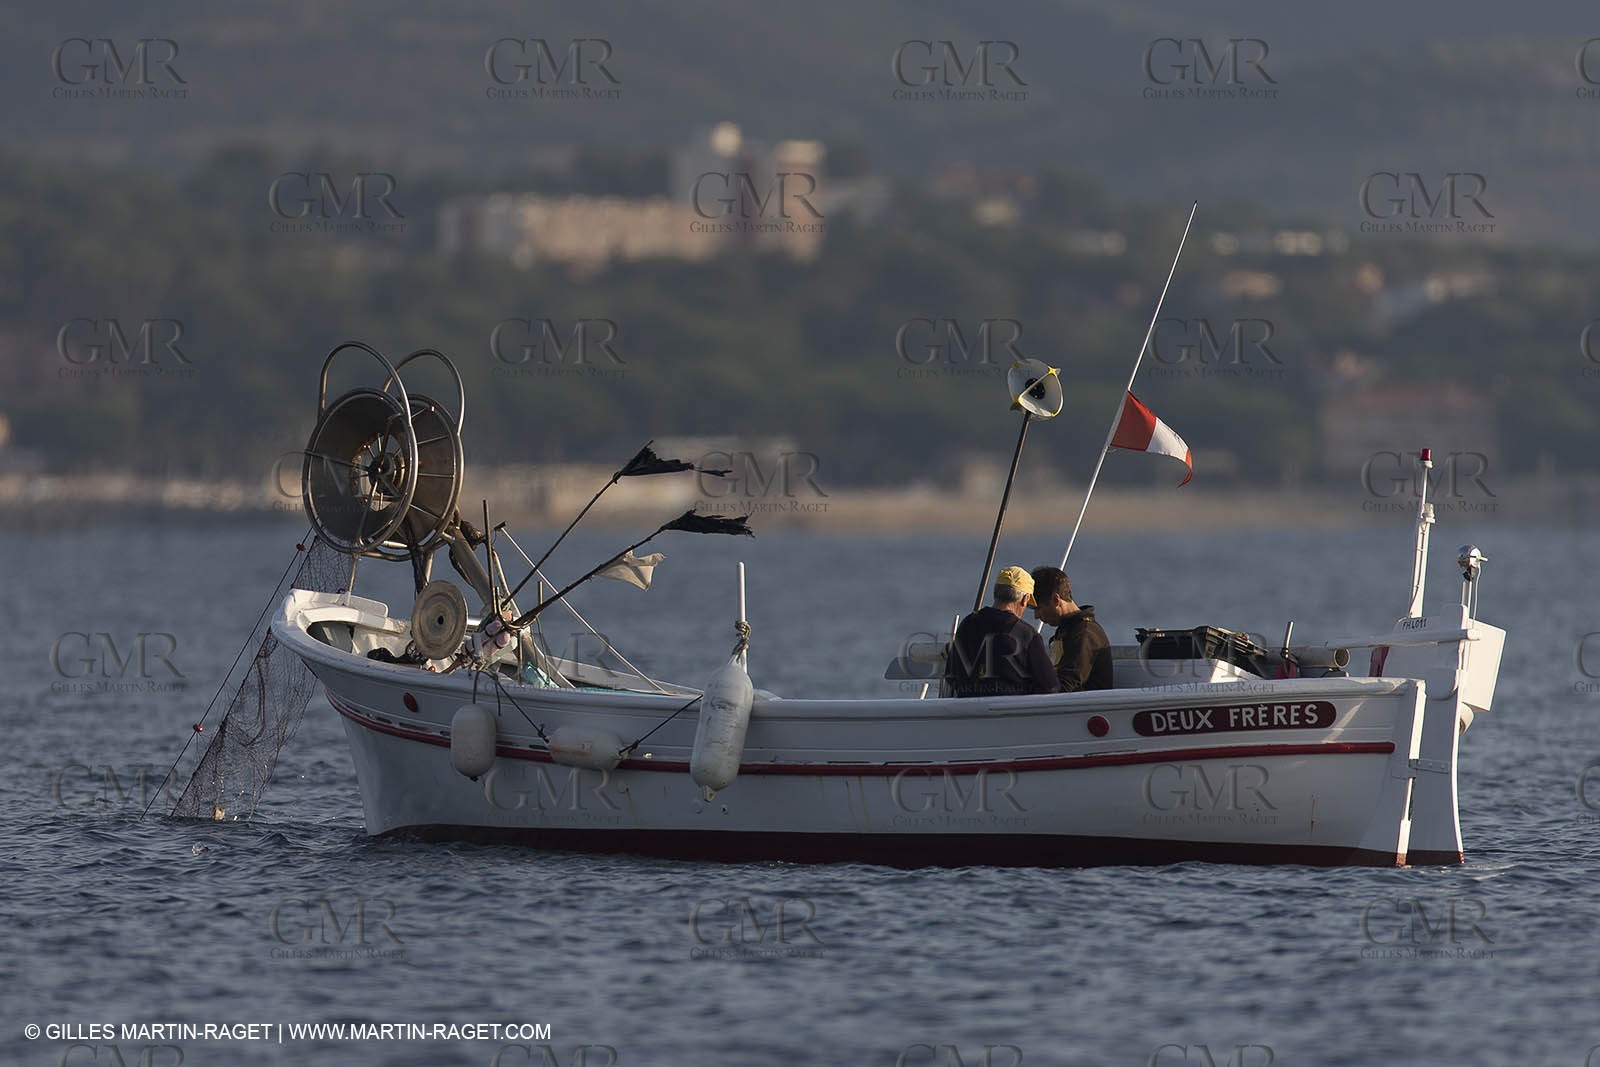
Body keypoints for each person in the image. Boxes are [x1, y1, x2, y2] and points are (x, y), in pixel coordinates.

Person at [944, 566, 1060, 698]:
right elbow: (1050, 686)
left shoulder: (968, 624)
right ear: (1024, 599)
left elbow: (951, 675)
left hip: (968, 711)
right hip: (1011, 713)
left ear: (997, 593)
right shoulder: (1026, 635)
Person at [1030, 565, 1113, 692]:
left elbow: (1067, 685)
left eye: (1038, 608)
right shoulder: (1069, 630)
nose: (1036, 616)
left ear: (1056, 599)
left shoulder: (1084, 633)